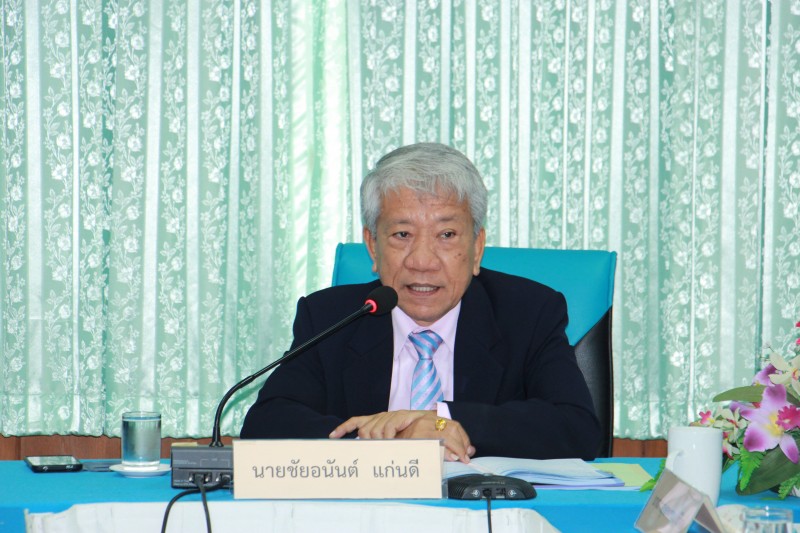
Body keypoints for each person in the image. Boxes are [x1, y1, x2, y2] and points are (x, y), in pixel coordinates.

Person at [241, 142, 601, 461]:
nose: (423, 261)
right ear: (373, 247)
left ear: (477, 248)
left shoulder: (529, 313)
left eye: (446, 234)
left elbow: (577, 429)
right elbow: (266, 424)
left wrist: (440, 421)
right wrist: (384, 438)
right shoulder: (330, 318)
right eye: (402, 234)